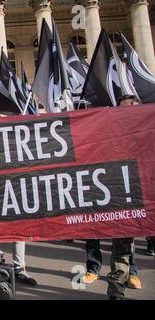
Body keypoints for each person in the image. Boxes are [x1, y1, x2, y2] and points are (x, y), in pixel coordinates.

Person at [106, 94, 143, 299]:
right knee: (122, 248)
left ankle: (133, 274)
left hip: (147, 199)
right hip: (123, 199)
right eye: (125, 108)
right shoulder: (112, 136)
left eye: (134, 108)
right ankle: (117, 291)